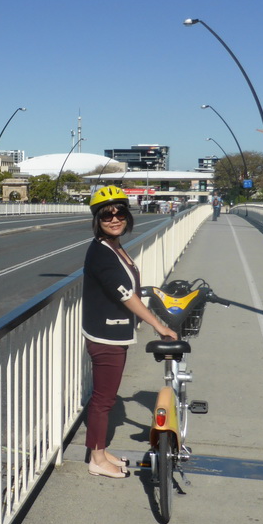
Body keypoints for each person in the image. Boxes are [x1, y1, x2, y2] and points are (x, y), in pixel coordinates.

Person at [82, 186, 178, 479]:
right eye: (106, 214)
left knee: (106, 397)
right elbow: (125, 295)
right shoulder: (101, 252)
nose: (114, 218)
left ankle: (100, 450)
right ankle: (96, 460)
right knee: (103, 399)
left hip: (113, 332)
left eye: (119, 212)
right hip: (105, 336)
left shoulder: (114, 246)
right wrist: (158, 325)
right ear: (97, 219)